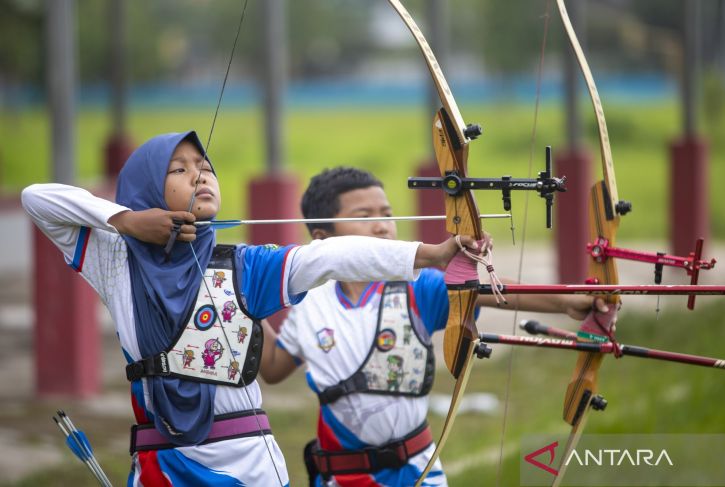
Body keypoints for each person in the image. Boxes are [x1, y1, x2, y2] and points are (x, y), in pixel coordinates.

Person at [21, 132, 478, 487]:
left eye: (206, 168)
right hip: (163, 466)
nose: (199, 176)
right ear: (146, 190)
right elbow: (36, 198)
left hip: (248, 466)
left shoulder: (248, 267)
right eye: (179, 169)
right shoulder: (117, 263)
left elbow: (330, 255)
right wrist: (126, 220)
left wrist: (430, 255)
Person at [259, 167, 604, 487]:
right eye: (364, 217)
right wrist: (243, 303)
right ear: (323, 238)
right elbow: (273, 367)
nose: (382, 226)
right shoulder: (309, 303)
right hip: (340, 475)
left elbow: (482, 289)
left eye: (387, 214)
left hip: (416, 472)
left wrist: (566, 301)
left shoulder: (416, 288)